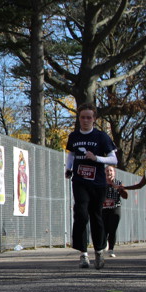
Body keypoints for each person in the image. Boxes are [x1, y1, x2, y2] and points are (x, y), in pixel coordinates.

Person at [64, 104, 117, 269]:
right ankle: (83, 254)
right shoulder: (74, 136)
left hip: (97, 183)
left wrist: (96, 158)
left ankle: (99, 251)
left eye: (89, 117)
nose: (85, 120)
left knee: (96, 216)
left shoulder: (101, 137)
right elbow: (71, 154)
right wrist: (68, 168)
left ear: (94, 119)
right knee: (81, 213)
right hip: (80, 181)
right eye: (82, 117)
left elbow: (114, 159)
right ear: (79, 118)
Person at [101, 166, 128, 257]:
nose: (109, 172)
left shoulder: (119, 183)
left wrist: (118, 188)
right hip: (104, 209)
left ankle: (111, 249)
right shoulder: (101, 183)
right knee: (104, 229)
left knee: (112, 229)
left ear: (114, 173)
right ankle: (104, 244)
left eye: (111, 171)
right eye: (107, 171)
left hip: (115, 208)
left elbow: (125, 196)